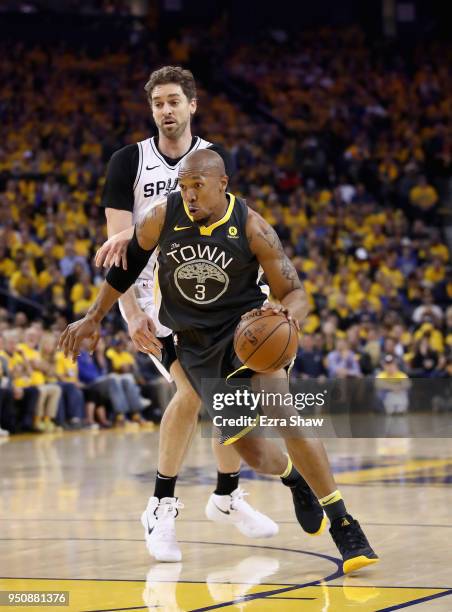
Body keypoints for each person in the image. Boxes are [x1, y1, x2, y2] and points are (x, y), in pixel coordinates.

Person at [60, 149, 379, 574]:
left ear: (222, 184)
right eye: (184, 187)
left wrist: (288, 316)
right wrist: (94, 316)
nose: (189, 195)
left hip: (247, 334)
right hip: (191, 342)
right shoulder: (162, 216)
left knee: (283, 411)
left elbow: (296, 292)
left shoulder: (251, 226)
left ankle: (344, 523)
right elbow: (125, 269)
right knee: (250, 451)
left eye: (198, 187)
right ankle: (292, 477)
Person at [100, 65, 284, 560]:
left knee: (226, 392)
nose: (166, 110)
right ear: (152, 108)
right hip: (151, 300)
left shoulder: (211, 158)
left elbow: (231, 223)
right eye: (158, 102)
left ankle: (226, 495)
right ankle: (160, 506)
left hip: (208, 294)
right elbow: (117, 248)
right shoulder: (128, 162)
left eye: (174, 101)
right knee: (190, 392)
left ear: (192, 105)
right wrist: (131, 313)